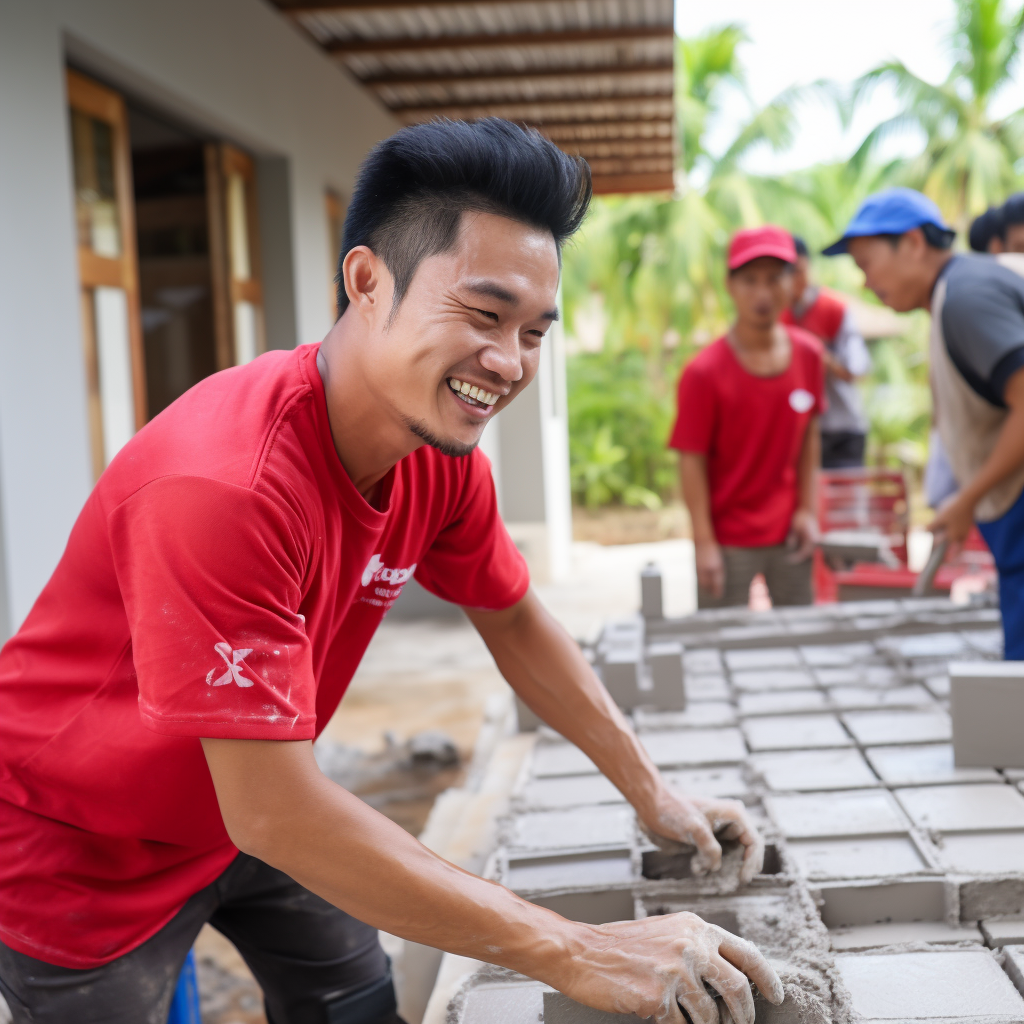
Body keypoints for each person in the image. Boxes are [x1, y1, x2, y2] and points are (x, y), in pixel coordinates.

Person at [0, 119, 783, 1024]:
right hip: (83, 846)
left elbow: (517, 619)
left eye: (534, 331)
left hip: (247, 803)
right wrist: (581, 949)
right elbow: (274, 813)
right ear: (367, 282)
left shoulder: (441, 460)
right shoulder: (225, 485)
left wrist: (652, 792)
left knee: (355, 1001)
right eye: (484, 315)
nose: (509, 362)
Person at [823, 187, 1024, 658]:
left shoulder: (966, 299)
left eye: (867, 264)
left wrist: (967, 500)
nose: (866, 282)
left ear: (913, 243)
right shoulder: (961, 292)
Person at [670, 226, 824, 609]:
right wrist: (703, 543)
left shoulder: (809, 355)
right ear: (730, 286)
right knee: (720, 649)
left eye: (775, 279)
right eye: (750, 280)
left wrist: (807, 510)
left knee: (800, 642)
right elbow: (692, 462)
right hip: (727, 543)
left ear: (794, 283)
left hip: (791, 536)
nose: (763, 293)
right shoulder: (703, 372)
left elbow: (809, 440)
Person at [781, 236, 871, 468]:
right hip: (797, 432)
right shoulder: (776, 317)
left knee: (846, 500)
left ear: (809, 267)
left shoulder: (834, 310)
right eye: (786, 273)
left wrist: (816, 355)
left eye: (798, 271)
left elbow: (856, 370)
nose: (794, 280)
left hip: (843, 430)